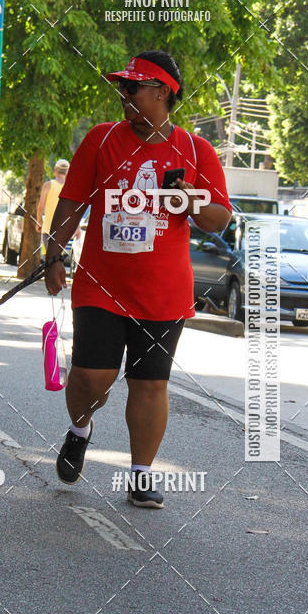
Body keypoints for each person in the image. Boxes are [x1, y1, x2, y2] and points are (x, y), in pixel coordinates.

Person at [44, 50, 231, 508]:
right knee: (93, 377)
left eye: (133, 88)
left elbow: (219, 218)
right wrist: (53, 252)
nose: (124, 96)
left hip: (163, 291)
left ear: (162, 92)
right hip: (100, 285)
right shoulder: (102, 139)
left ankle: (142, 473)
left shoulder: (195, 150)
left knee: (150, 384)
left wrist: (191, 201)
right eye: (121, 88)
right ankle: (80, 428)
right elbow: (71, 202)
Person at [36, 159, 70, 250]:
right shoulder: (69, 187)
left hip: (48, 229)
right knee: (57, 260)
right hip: (63, 231)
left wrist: (39, 222)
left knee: (48, 259)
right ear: (67, 172)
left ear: (55, 170)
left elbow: (40, 207)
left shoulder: (48, 185)